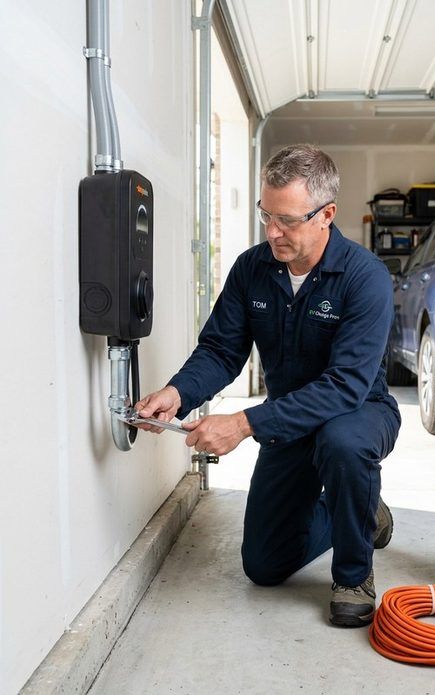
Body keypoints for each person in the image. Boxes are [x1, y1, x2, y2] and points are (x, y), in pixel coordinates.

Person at [134, 144, 400, 628]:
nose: (273, 231)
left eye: (288, 220)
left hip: (360, 410)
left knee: (342, 442)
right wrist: (177, 395)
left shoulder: (365, 278)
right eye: (266, 215)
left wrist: (243, 423)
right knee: (264, 565)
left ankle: (354, 574)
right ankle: (362, 512)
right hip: (287, 417)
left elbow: (345, 386)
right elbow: (220, 349)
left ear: (326, 215)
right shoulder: (252, 269)